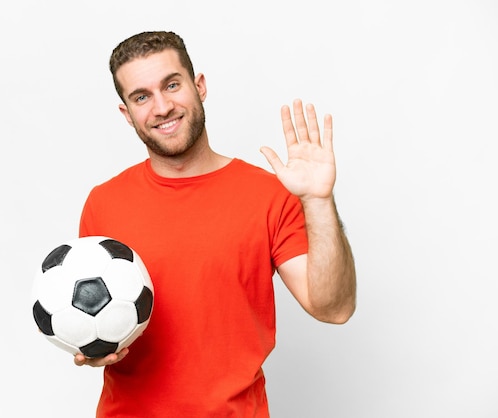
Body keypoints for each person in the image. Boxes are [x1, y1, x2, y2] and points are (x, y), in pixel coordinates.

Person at [75, 31, 356, 417]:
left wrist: (318, 202)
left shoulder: (268, 195)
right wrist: (92, 344)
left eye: (172, 85)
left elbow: (334, 308)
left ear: (199, 86)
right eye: (142, 96)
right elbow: (94, 315)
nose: (162, 107)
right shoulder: (103, 203)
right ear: (127, 113)